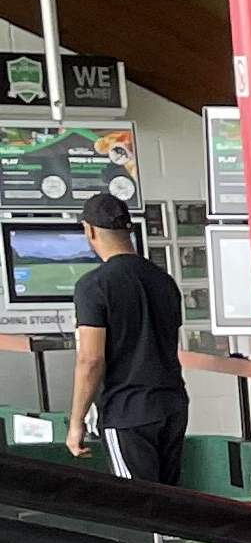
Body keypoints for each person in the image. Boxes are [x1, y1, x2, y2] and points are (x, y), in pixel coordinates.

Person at [65, 192, 188, 486]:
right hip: (172, 406)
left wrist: (76, 421)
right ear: (128, 229)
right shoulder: (163, 280)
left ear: (89, 230)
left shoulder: (93, 286)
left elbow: (91, 359)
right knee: (171, 505)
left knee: (138, 507)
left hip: (128, 411)